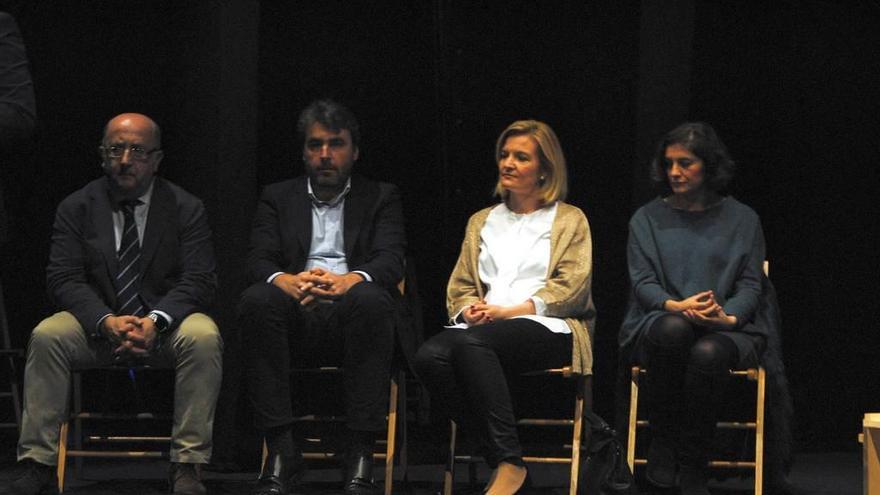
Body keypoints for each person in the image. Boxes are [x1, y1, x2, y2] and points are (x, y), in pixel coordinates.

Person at [6, 113, 223, 495]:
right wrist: (105, 321)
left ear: (156, 159)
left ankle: (187, 465)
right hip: (97, 326)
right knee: (47, 335)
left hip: (162, 327)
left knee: (204, 335)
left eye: (137, 151)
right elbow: (63, 278)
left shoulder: (186, 208)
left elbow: (199, 280)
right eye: (115, 149)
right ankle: (36, 463)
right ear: (102, 156)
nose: (125, 160)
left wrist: (156, 321)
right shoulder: (77, 206)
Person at [413, 120, 596, 495]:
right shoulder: (482, 221)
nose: (508, 163)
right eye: (504, 155)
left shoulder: (569, 219)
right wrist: (469, 311)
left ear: (545, 168)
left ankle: (508, 463)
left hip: (549, 325)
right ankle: (505, 460)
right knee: (430, 356)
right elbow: (461, 286)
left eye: (521, 157)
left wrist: (509, 312)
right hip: (485, 329)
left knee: (471, 344)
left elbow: (572, 289)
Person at [237, 99, 409, 495]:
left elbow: (390, 261)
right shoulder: (277, 197)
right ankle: (281, 451)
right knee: (257, 300)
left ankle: (360, 452)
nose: (325, 155)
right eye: (315, 145)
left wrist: (351, 280)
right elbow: (257, 259)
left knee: (370, 299)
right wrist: (285, 280)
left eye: (336, 144)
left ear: (355, 151)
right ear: (304, 152)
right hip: (296, 313)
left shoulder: (381, 196)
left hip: (355, 315)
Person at [619, 122, 769, 495]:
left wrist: (727, 316)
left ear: (709, 165)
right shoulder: (646, 220)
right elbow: (642, 283)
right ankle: (664, 443)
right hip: (659, 320)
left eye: (685, 163)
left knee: (706, 351)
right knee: (675, 329)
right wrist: (676, 304)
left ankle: (693, 464)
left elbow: (751, 284)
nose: (674, 173)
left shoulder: (743, 219)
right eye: (669, 164)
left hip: (729, 329)